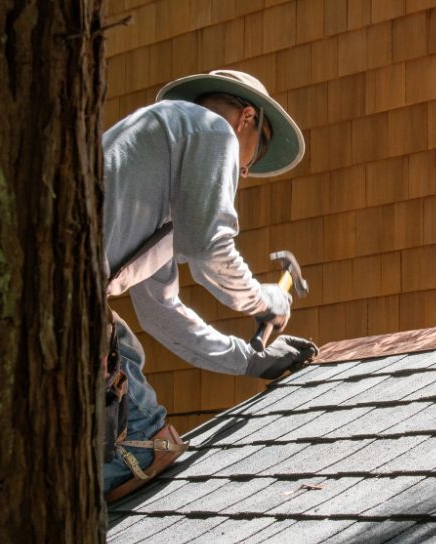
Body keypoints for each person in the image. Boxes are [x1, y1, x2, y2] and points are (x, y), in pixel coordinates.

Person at [101, 70, 319, 502]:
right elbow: (209, 249)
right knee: (120, 353)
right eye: (255, 154)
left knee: (118, 343)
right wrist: (265, 301)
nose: (245, 171)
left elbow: (161, 311)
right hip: (65, 302)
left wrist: (249, 360)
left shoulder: (155, 168)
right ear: (246, 118)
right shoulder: (210, 128)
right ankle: (131, 456)